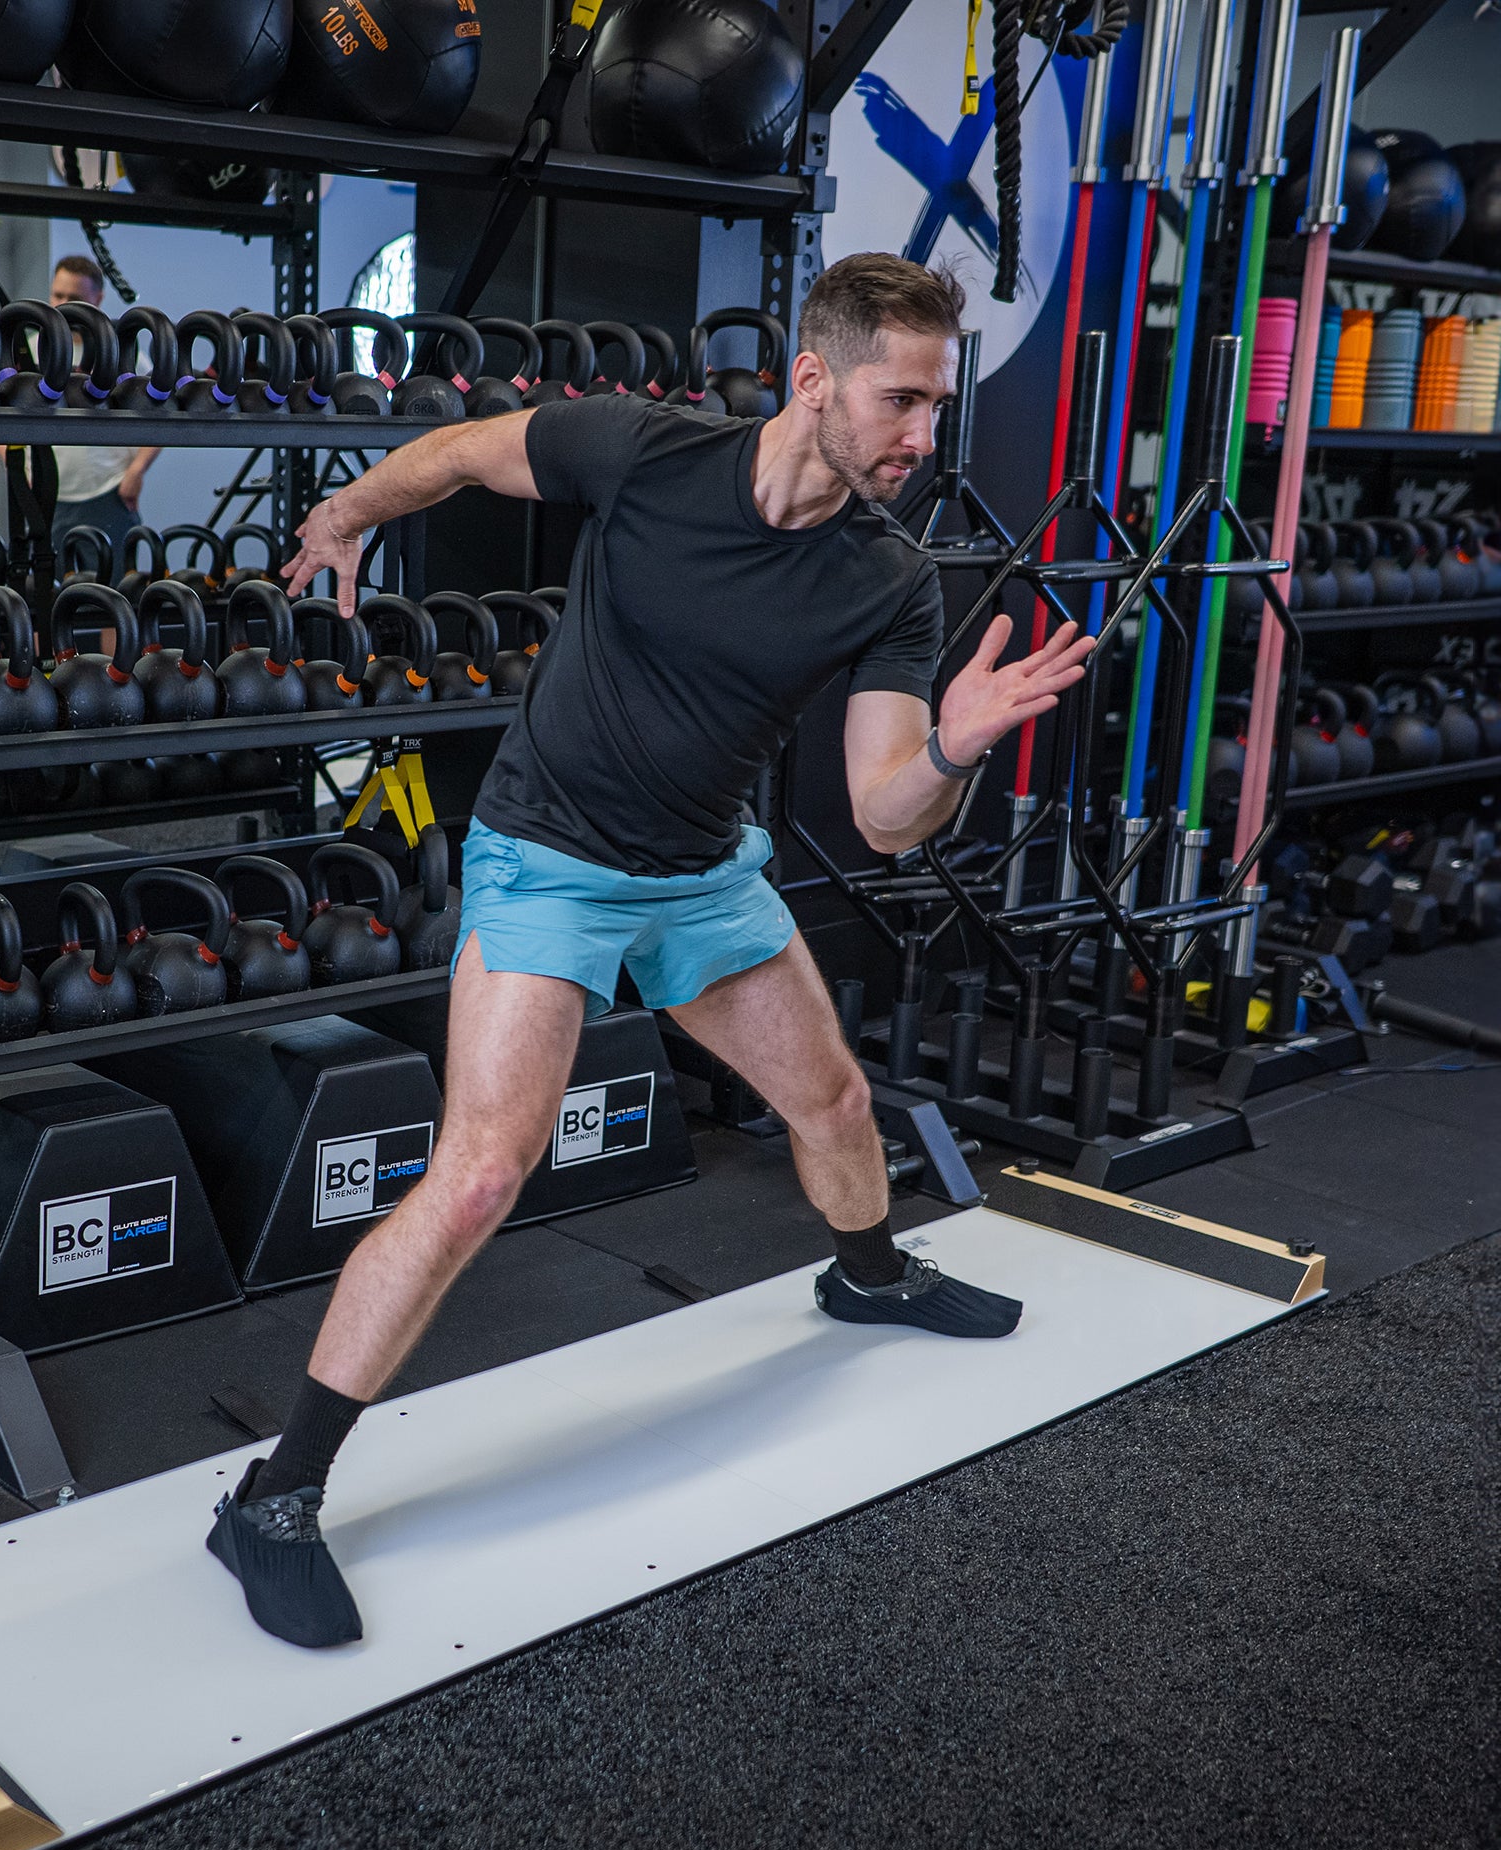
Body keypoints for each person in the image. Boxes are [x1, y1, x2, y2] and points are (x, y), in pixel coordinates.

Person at [206, 254, 1095, 1651]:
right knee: (485, 1171)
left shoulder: (893, 581)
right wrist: (342, 515)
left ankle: (867, 1274)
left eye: (938, 404)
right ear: (815, 379)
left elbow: (882, 816)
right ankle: (272, 1498)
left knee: (837, 1100)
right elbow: (454, 453)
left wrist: (954, 749)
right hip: (549, 857)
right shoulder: (646, 453)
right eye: (901, 401)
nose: (925, 437)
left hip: (699, 872)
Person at [45, 254, 158, 550]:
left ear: (98, 298)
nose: (64, 304)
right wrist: (18, 470)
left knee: (115, 593)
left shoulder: (124, 354)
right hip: (47, 496)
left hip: (109, 492)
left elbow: (160, 415)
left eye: (75, 297)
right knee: (50, 592)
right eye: (58, 295)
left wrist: (137, 472)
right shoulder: (30, 351)